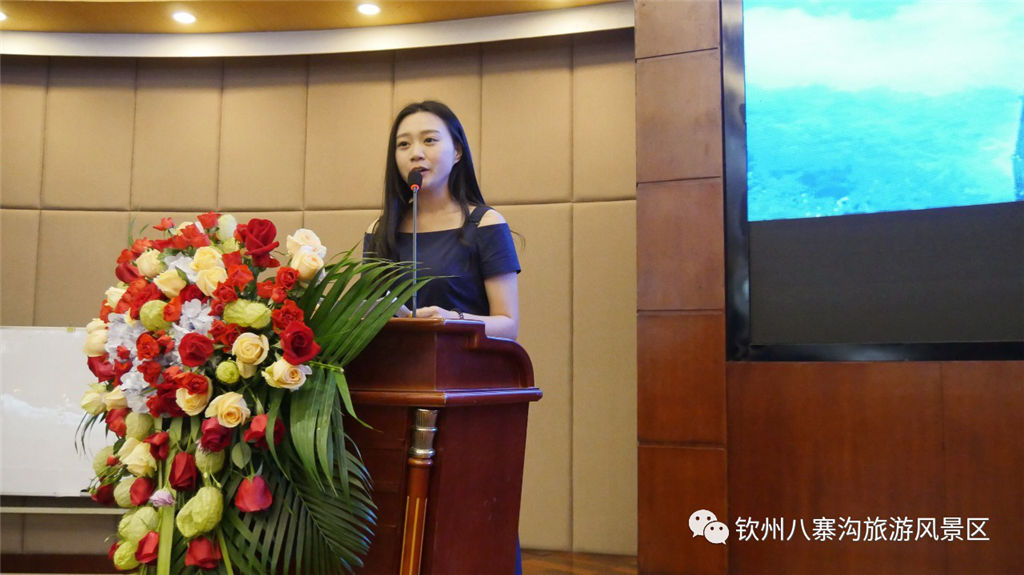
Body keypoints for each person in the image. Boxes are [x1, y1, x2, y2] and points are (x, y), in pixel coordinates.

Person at [364, 100, 520, 341]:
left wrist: (450, 319)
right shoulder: (379, 230)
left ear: (457, 151)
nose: (416, 154)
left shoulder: (485, 224)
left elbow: (508, 324)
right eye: (404, 144)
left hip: (465, 362)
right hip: (395, 362)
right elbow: (368, 314)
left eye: (429, 140)